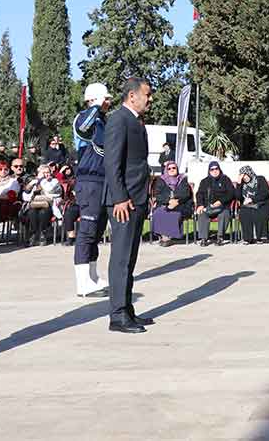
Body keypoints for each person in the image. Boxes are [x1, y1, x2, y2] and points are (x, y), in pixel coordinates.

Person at [104, 77, 154, 334]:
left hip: (136, 198)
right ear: (132, 96)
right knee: (121, 259)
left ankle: (127, 309)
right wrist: (119, 198)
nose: (150, 98)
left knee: (130, 259)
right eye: (147, 94)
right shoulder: (118, 120)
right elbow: (112, 164)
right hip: (123, 201)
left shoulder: (135, 121)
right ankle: (117, 315)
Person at [72, 82, 113, 298]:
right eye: (105, 98)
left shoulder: (103, 121)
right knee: (87, 231)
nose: (109, 102)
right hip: (89, 181)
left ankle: (93, 276)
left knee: (97, 232)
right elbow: (83, 128)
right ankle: (82, 283)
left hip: (103, 181)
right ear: (95, 98)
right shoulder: (85, 117)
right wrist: (95, 106)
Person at [151, 160, 193, 247]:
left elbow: (186, 193)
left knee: (174, 214)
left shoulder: (183, 179)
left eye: (174, 168)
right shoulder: (161, 180)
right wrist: (168, 201)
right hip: (164, 203)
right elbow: (158, 195)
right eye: (169, 168)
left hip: (180, 204)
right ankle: (164, 237)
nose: (172, 169)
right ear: (166, 169)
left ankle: (168, 238)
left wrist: (176, 201)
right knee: (159, 213)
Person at [195, 161, 235, 246]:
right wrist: (200, 205)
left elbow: (231, 193)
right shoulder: (204, 181)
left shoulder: (225, 179)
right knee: (202, 213)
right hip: (208, 207)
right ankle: (203, 238)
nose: (214, 171)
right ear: (209, 171)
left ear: (219, 169)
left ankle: (220, 237)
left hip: (222, 207)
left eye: (216, 169)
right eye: (212, 169)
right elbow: (199, 194)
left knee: (224, 214)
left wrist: (221, 201)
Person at [21, 164, 62, 246]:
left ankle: (42, 234)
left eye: (47, 172)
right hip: (34, 204)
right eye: (43, 173)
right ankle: (33, 234)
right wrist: (33, 183)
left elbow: (50, 191)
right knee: (31, 212)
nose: (46, 174)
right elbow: (25, 196)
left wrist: (41, 181)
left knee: (43, 212)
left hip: (49, 204)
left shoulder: (54, 181)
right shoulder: (33, 181)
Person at [236, 165, 269, 244]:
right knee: (244, 212)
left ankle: (260, 237)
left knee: (259, 212)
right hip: (247, 206)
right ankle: (248, 238)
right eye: (242, 176)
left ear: (249, 173)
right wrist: (238, 184)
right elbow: (238, 197)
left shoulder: (260, 179)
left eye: (245, 175)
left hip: (261, 203)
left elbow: (266, 193)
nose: (244, 177)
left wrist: (252, 199)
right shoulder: (241, 184)